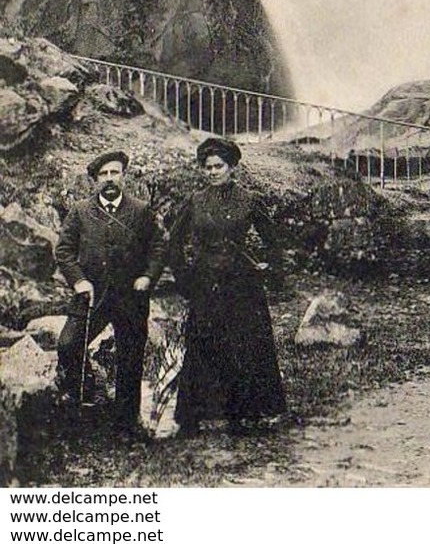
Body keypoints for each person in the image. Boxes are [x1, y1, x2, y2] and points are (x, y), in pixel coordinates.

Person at [169, 137, 287, 437]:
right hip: (205, 284)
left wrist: (271, 270)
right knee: (203, 345)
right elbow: (173, 242)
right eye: (207, 167)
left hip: (242, 285)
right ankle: (196, 415)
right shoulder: (194, 202)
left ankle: (248, 413)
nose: (212, 172)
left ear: (232, 167)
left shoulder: (248, 200)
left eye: (218, 166)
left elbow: (272, 240)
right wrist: (183, 277)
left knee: (245, 346)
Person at [55, 150, 166, 438]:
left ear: (123, 175)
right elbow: (63, 251)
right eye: (103, 175)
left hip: (131, 297)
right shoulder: (79, 211)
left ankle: (126, 422)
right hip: (92, 296)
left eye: (114, 173)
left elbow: (157, 248)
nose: (109, 179)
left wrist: (147, 276)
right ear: (94, 180)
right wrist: (78, 281)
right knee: (68, 344)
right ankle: (86, 400)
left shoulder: (141, 210)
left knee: (130, 358)